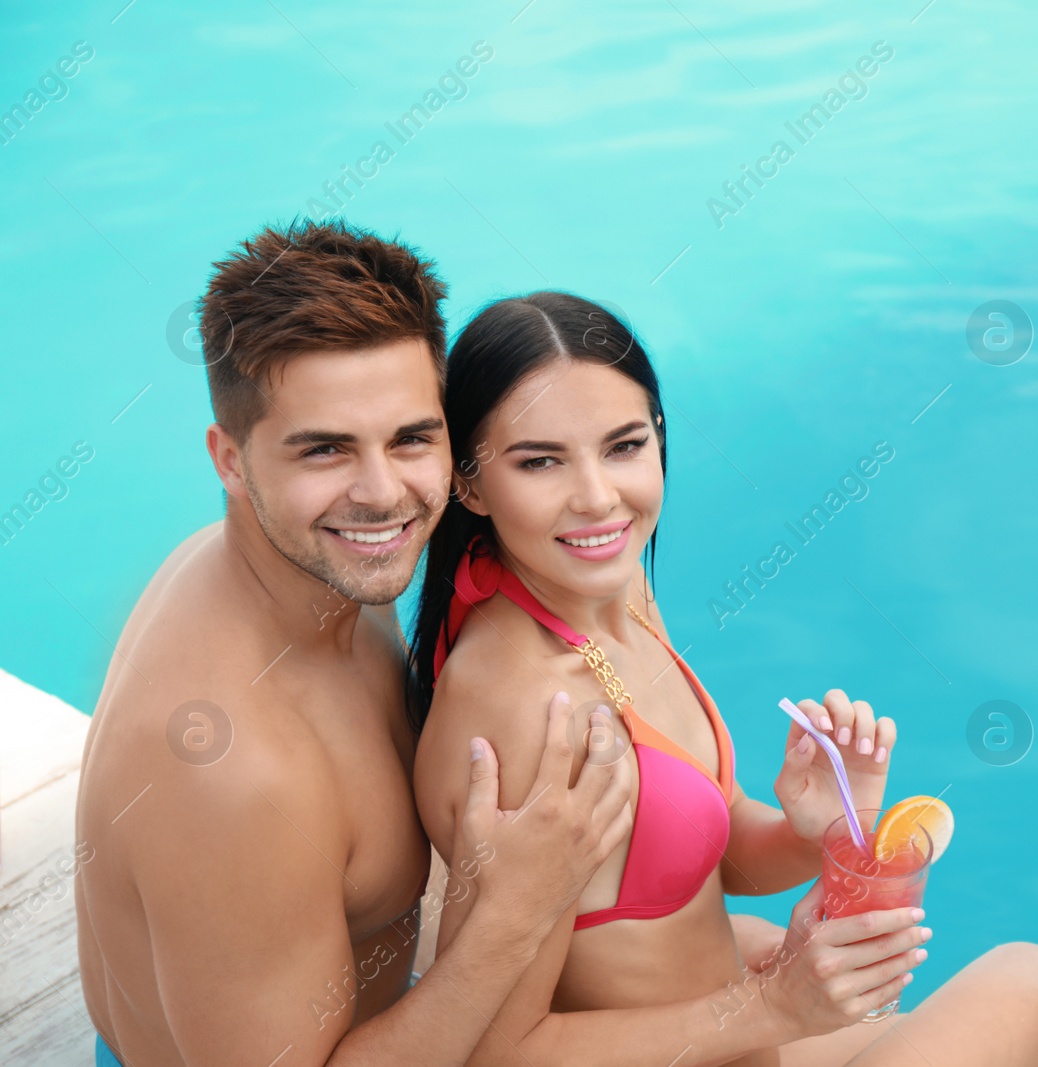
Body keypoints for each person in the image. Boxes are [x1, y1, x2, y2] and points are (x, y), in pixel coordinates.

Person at [409, 292, 1038, 1066]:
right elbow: (502, 1055)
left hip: (742, 1044)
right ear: (467, 485)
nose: (599, 497)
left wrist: (806, 832)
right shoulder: (525, 708)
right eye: (540, 460)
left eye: (624, 446)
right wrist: (775, 1004)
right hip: (734, 1039)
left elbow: (697, 856)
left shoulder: (611, 592)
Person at [73, 222, 639, 1067]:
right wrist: (514, 915)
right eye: (327, 449)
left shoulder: (316, 572)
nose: (383, 495)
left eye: (412, 437)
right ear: (230, 460)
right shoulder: (234, 771)